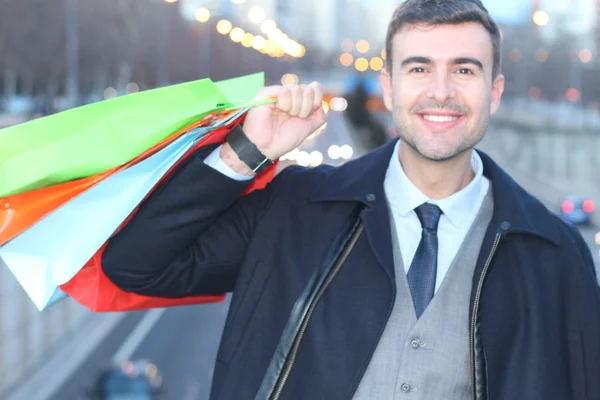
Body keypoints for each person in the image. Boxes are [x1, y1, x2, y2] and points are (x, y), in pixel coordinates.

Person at [102, 0, 600, 399]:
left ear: (494, 93)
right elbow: (135, 265)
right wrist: (244, 153)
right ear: (389, 86)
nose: (441, 92)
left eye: (465, 71)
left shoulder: (556, 254)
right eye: (420, 68)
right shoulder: (295, 210)